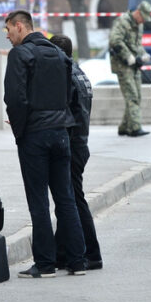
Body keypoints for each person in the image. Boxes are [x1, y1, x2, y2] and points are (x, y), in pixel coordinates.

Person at [3, 10, 87, 278]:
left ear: (20, 26)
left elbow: (15, 98)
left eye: (8, 30)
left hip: (35, 135)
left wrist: (20, 131)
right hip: (61, 132)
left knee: (38, 201)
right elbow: (70, 93)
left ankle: (46, 263)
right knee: (66, 198)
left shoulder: (20, 55)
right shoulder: (59, 54)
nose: (7, 36)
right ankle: (77, 260)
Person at [49, 34, 103, 270]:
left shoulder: (65, 76)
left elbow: (65, 114)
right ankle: (62, 252)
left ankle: (91, 253)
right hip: (80, 143)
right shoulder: (79, 73)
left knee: (73, 201)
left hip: (72, 145)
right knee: (67, 200)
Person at [109, 0, 151, 137]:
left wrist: (143, 55)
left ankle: (124, 127)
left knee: (137, 96)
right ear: (138, 12)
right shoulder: (123, 22)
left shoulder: (138, 25)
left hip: (134, 65)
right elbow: (115, 40)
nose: (143, 21)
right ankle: (134, 127)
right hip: (122, 64)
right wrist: (128, 56)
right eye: (143, 18)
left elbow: (137, 44)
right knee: (132, 95)